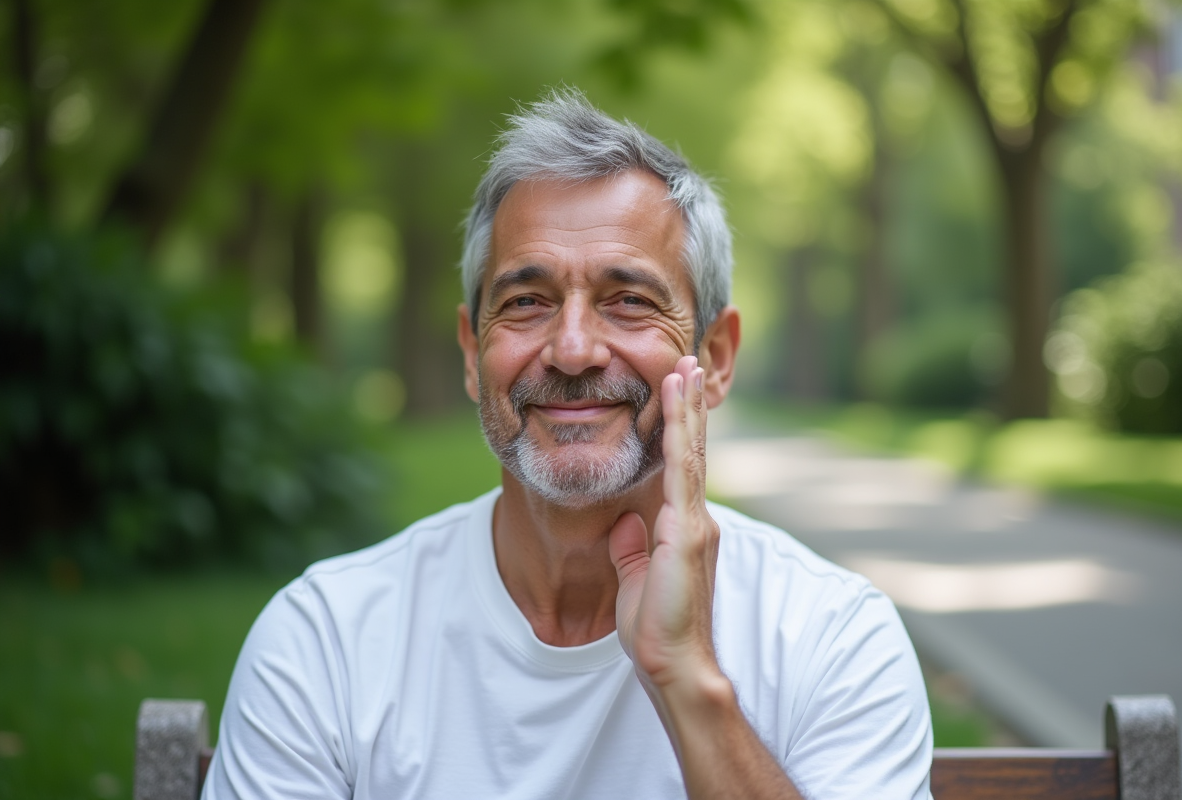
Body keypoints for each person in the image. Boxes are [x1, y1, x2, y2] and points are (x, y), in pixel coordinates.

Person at [201, 89, 933, 800]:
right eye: (526, 302)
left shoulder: (834, 638)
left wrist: (686, 680)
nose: (574, 349)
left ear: (715, 356)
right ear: (470, 352)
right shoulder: (324, 641)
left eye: (629, 301)